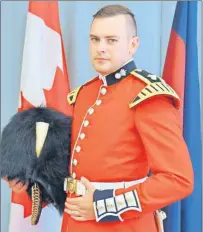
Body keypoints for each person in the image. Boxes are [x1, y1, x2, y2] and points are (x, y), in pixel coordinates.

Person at [4, 4, 194, 232]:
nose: (100, 48)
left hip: (124, 226)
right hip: (74, 223)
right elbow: (77, 169)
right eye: (95, 39)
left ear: (133, 45)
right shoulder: (84, 94)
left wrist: (103, 206)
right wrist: (33, 184)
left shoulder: (147, 96)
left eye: (111, 40)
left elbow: (178, 179)